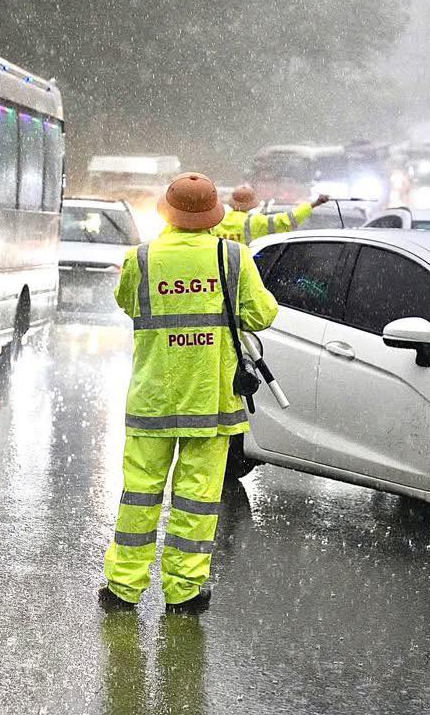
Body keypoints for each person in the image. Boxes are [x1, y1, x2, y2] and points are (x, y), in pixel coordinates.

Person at [100, 172, 278, 613]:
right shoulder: (233, 259)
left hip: (152, 400)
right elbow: (263, 315)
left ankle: (123, 587)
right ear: (215, 214)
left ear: (168, 212)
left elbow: (128, 303)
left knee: (140, 494)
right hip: (210, 403)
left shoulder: (141, 258)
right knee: (197, 499)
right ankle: (183, 591)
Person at [212, 184, 329, 244]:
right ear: (252, 203)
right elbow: (288, 220)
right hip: (243, 269)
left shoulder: (217, 221)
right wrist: (314, 204)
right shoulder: (255, 221)